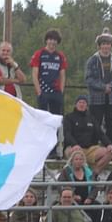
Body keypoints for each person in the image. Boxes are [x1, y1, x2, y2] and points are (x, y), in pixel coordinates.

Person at [85, 27, 112, 153]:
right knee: (95, 125)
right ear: (99, 45)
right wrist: (103, 87)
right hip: (96, 99)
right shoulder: (92, 60)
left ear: (111, 45)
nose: (105, 46)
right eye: (103, 44)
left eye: (108, 44)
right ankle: (93, 151)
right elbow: (88, 79)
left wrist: (111, 86)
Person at [30, 28, 68, 158]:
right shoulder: (39, 54)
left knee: (55, 122)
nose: (52, 42)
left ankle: (53, 150)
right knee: (43, 121)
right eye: (50, 39)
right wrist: (39, 91)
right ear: (46, 40)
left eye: (55, 40)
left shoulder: (60, 56)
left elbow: (63, 74)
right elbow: (34, 73)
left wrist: (61, 91)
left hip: (56, 93)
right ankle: (43, 149)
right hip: (43, 92)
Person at [63, 94, 112, 174]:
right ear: (76, 104)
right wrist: (74, 144)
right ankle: (75, 175)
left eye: (84, 102)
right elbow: (67, 134)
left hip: (90, 149)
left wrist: (109, 144)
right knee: (76, 155)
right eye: (80, 102)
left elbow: (100, 133)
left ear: (87, 105)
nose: (82, 104)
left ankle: (93, 174)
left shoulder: (92, 118)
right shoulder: (69, 117)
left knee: (110, 152)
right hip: (73, 148)